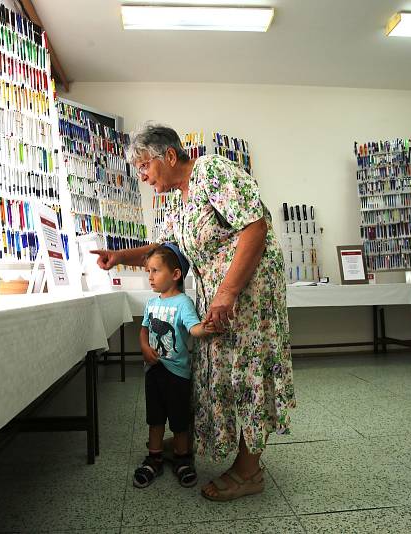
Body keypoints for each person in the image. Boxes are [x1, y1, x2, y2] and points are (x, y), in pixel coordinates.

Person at [93, 124, 294, 502]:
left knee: (247, 372)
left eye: (144, 167)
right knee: (217, 373)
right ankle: (201, 438)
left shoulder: (212, 172)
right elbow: (165, 250)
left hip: (249, 294)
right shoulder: (179, 202)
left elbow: (255, 226)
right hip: (218, 300)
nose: (143, 176)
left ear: (169, 156)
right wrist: (121, 257)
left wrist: (228, 292)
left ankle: (250, 470)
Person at [134, 243, 214, 489]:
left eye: (155, 271)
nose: (150, 277)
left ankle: (182, 459)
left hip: (177, 374)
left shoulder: (183, 304)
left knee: (179, 420)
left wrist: (206, 327)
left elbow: (193, 328)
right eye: (149, 271)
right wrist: (145, 348)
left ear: (176, 274)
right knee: (155, 418)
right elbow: (144, 330)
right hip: (154, 372)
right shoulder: (152, 304)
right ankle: (154, 458)